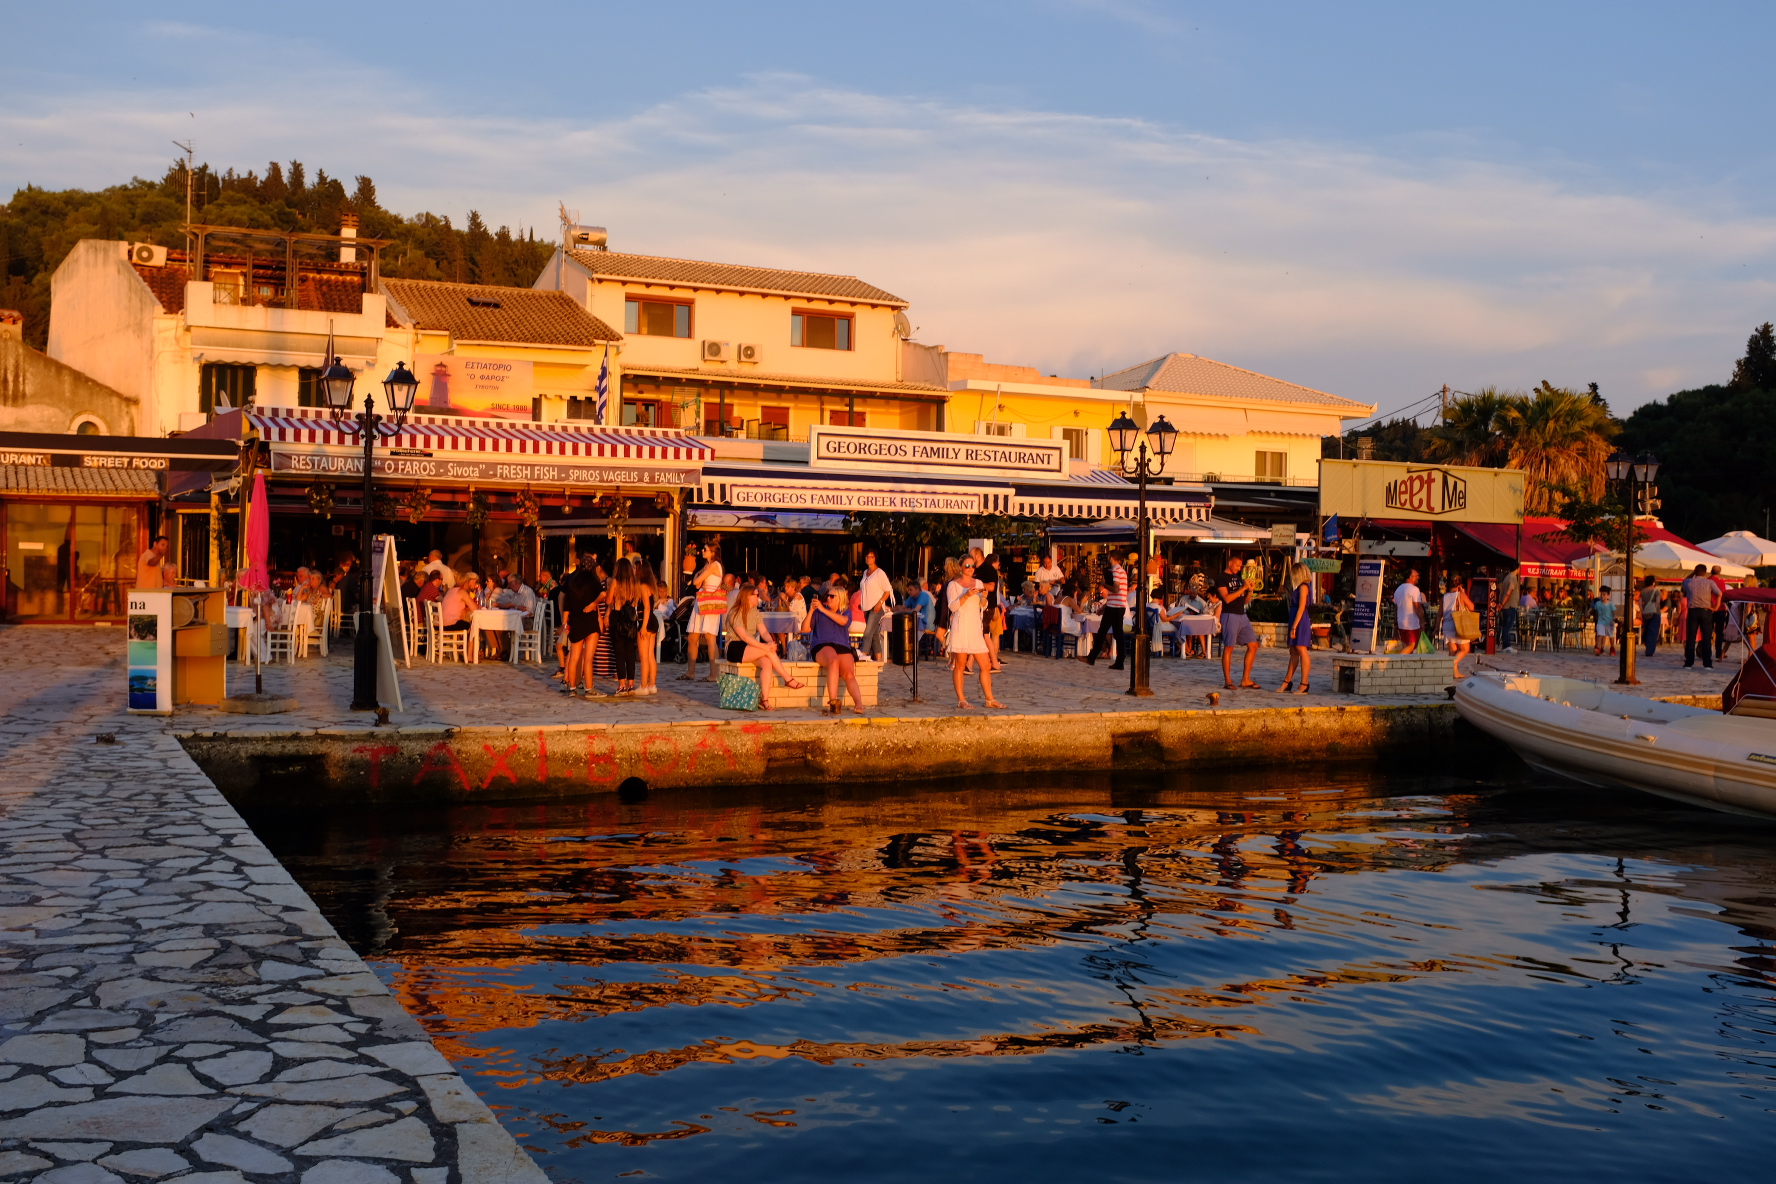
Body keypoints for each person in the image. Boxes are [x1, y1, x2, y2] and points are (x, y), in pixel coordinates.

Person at [724, 584, 805, 707]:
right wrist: (766, 647)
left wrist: (770, 643)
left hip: (750, 645)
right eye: (756, 595)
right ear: (747, 597)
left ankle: (765, 699)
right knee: (768, 651)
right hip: (735, 646)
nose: (758, 598)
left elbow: (764, 632)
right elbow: (744, 637)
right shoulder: (735, 613)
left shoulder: (755, 612)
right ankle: (788, 678)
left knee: (767, 662)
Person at [945, 559, 1004, 709]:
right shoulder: (953, 585)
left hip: (975, 628)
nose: (970, 568)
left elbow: (982, 607)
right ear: (960, 567)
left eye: (972, 566)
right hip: (961, 626)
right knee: (960, 665)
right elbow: (952, 607)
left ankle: (990, 699)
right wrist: (965, 595)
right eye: (967, 565)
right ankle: (961, 699)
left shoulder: (978, 583)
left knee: (986, 664)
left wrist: (983, 598)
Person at [804, 584, 868, 713]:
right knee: (833, 660)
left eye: (832, 596)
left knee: (849, 673)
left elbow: (844, 622)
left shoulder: (845, 611)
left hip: (842, 645)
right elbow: (805, 629)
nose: (828, 598)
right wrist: (811, 611)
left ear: (839, 598)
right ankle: (833, 701)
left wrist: (823, 609)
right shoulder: (819, 611)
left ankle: (859, 704)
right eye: (827, 595)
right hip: (822, 644)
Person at [1214, 554, 1261, 689]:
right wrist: (1243, 588)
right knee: (1229, 647)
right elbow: (1227, 599)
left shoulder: (1239, 579)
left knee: (1253, 645)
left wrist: (1250, 590)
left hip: (1242, 615)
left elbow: (1245, 601)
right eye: (1237, 565)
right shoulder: (1221, 578)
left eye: (1240, 566)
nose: (1239, 568)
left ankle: (1246, 679)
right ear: (1230, 563)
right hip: (1230, 615)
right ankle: (1228, 680)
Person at [682, 541, 725, 682]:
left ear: (712, 552)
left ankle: (714, 674)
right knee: (693, 637)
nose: (702, 551)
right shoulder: (707, 565)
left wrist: (700, 573)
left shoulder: (714, 565)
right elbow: (697, 582)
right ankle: (690, 672)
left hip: (710, 601)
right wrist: (700, 572)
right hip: (701, 600)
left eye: (705, 549)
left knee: (710, 637)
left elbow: (696, 581)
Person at [562, 554, 604, 698]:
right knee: (588, 658)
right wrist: (593, 604)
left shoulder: (572, 581)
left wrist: (564, 622)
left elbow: (566, 605)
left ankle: (572, 688)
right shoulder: (593, 580)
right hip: (590, 620)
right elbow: (603, 594)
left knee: (574, 656)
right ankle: (589, 688)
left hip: (575, 620)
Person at [605, 559, 643, 695]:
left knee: (619, 653)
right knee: (630, 653)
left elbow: (608, 600)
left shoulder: (616, 582)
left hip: (618, 616)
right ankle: (631, 684)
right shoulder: (635, 584)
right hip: (631, 617)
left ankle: (621, 684)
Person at [1086, 552, 1129, 669]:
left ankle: (1092, 657)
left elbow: (1115, 589)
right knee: (1118, 634)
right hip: (1119, 605)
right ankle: (1120, 660)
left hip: (1114, 607)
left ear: (1112, 558)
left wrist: (1104, 584)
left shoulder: (1115, 571)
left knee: (1102, 632)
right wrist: (1104, 608)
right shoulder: (1123, 572)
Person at [1278, 562, 1314, 694]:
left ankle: (1304, 683)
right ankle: (1287, 681)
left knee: (1301, 649)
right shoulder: (1300, 587)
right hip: (1295, 617)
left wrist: (1294, 626)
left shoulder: (1304, 586)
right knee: (1293, 650)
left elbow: (1301, 607)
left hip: (1300, 619)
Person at [857, 550, 895, 662]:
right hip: (867, 607)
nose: (869, 558)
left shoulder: (880, 573)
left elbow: (888, 590)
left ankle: (863, 655)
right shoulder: (865, 572)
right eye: (867, 556)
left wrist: (880, 603)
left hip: (877, 607)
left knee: (867, 632)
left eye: (871, 556)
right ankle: (879, 660)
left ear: (875, 558)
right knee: (874, 636)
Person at [1682, 563, 1719, 669]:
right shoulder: (1710, 582)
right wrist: (1715, 607)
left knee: (1691, 637)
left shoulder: (1689, 582)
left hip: (1693, 611)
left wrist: (1692, 574)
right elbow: (1720, 594)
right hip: (1706, 611)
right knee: (1707, 637)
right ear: (1705, 572)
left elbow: (1684, 581)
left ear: (1695, 571)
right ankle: (1707, 663)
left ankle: (1689, 662)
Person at [1441, 575, 1475, 680]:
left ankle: (1455, 673)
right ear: (1460, 585)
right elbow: (1471, 607)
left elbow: (1439, 614)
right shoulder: (1460, 594)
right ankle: (1450, 664)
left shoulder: (1445, 596)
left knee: (1453, 651)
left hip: (1446, 625)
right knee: (1465, 649)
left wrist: (1437, 628)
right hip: (1458, 624)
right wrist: (1464, 593)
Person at [1394, 569, 1426, 652]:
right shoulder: (1414, 589)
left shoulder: (1398, 589)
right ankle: (1398, 661)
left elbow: (1396, 607)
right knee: (1411, 645)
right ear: (1410, 577)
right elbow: (1417, 607)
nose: (1418, 578)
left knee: (1406, 644)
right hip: (1411, 623)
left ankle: (1404, 663)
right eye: (1416, 576)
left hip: (1401, 621)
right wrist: (1422, 621)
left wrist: (1396, 622)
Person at [1498, 565, 1521, 652]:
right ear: (1517, 568)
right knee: (1508, 626)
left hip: (1506, 605)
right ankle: (1506, 645)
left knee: (1505, 626)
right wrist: (1502, 603)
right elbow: (1508, 592)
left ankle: (1505, 644)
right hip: (1510, 605)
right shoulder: (1513, 578)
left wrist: (1501, 603)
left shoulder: (1506, 577)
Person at [1710, 564, 1731, 660]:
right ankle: (1718, 652)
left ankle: (1705, 651)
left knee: (1707, 631)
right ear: (1719, 572)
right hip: (1720, 609)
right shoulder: (1721, 582)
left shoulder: (1707, 581)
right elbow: (1723, 594)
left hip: (1709, 608)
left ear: (1711, 571)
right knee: (1719, 632)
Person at [1638, 574, 1661, 657]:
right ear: (1653, 583)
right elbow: (1658, 601)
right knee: (1653, 631)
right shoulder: (1656, 591)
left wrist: (1642, 610)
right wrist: (1654, 608)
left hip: (1646, 612)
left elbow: (1640, 602)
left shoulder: (1643, 591)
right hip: (1655, 613)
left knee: (1647, 630)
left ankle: (1647, 647)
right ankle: (1650, 650)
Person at [1593, 585, 1617, 656]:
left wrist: (1613, 620)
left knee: (1611, 636)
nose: (1602, 596)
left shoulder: (1610, 604)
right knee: (1599, 635)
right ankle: (1598, 648)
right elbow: (1595, 611)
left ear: (1608, 595)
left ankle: (1612, 648)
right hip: (1601, 622)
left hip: (1609, 622)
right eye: (1601, 594)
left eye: (1604, 594)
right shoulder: (1598, 604)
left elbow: (1614, 613)